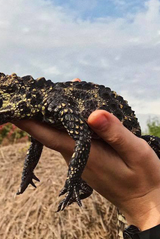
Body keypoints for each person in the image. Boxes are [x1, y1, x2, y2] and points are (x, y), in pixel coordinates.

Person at [14, 79, 160, 237]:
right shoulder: (47, 106)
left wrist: (140, 201)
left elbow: (80, 138)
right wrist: (28, 172)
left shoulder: (52, 101)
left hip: (127, 133)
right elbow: (37, 141)